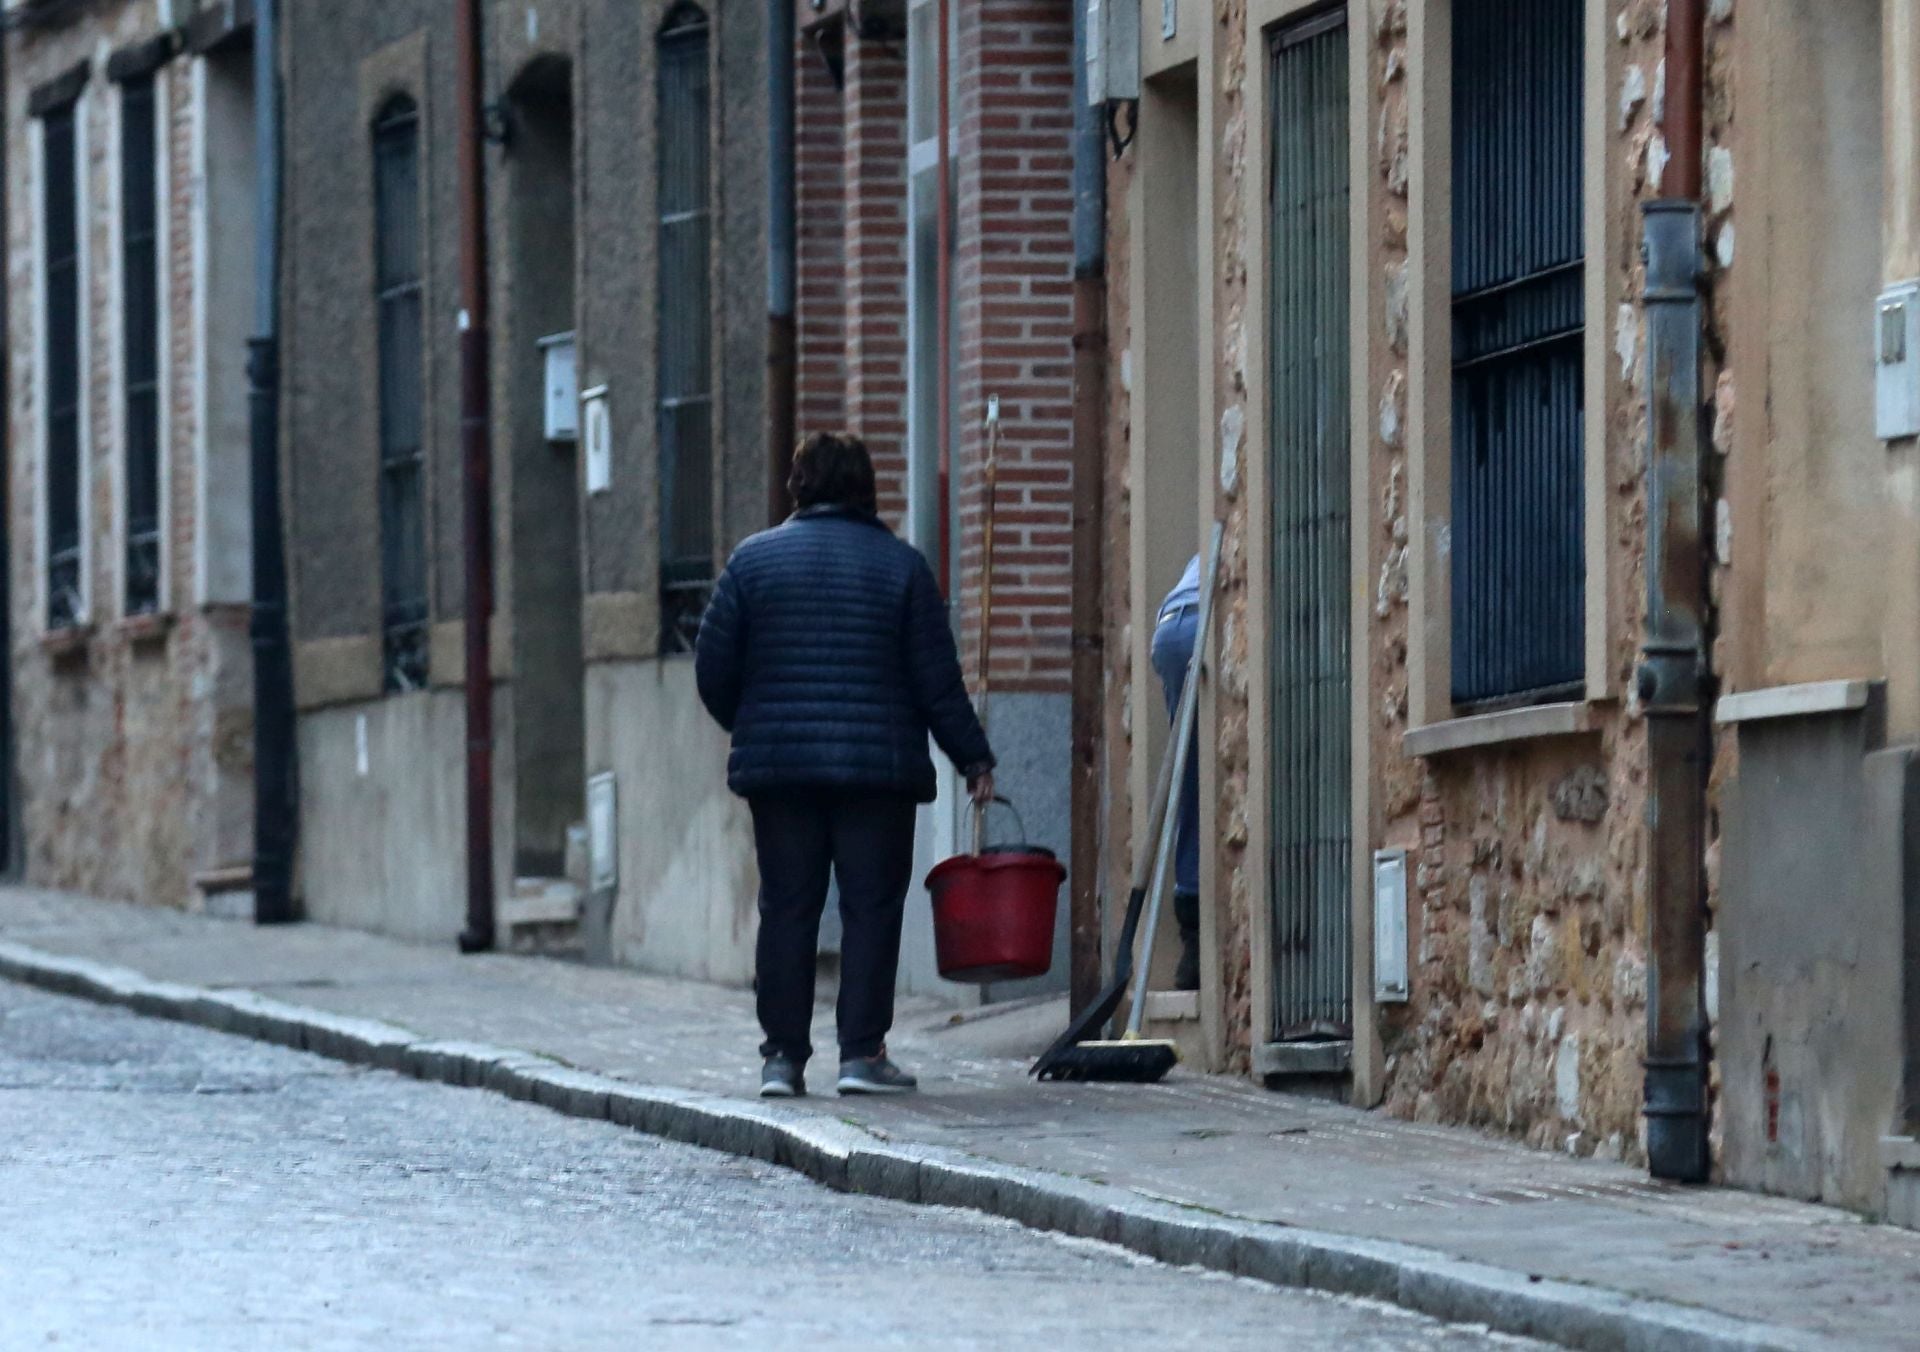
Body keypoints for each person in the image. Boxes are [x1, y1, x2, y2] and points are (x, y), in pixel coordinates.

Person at [695, 432, 996, 1099]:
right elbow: (936, 682)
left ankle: (782, 1059)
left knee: (788, 908)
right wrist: (972, 756)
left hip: (782, 776)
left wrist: (754, 726)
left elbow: (713, 668)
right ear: (867, 489)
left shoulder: (752, 563)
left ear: (797, 486)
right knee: (870, 909)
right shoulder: (903, 569)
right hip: (875, 775)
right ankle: (862, 1054)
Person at [1149, 553, 1203, 991]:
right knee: (1203, 783)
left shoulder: (1196, 559)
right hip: (1199, 619)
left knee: (1191, 778)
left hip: (1168, 625)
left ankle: (1192, 936)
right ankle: (1196, 933)